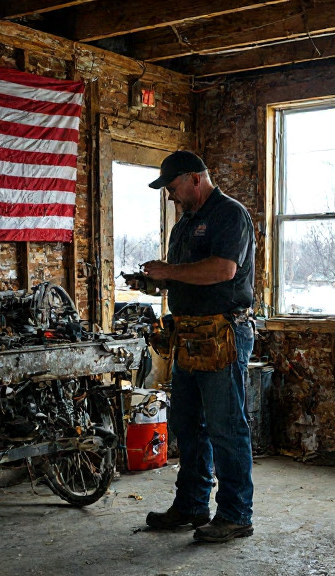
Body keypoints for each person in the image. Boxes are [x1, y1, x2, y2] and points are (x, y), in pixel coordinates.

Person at [140, 150, 256, 543]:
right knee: (188, 425)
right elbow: (187, 277)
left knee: (226, 428)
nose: (170, 197)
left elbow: (224, 270)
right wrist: (158, 282)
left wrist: (169, 272)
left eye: (172, 188)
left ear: (194, 179)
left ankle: (236, 514)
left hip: (223, 333)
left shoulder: (229, 214)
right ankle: (191, 505)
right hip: (188, 335)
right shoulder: (184, 226)